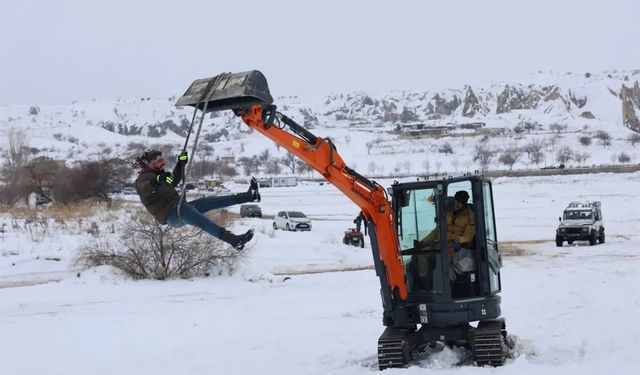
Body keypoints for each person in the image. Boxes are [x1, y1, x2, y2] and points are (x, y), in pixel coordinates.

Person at [133, 149, 260, 250]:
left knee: (208, 201)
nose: (163, 162)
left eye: (162, 159)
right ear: (149, 164)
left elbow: (174, 180)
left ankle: (249, 196)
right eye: (158, 160)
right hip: (170, 215)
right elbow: (147, 188)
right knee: (199, 219)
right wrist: (158, 180)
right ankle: (233, 240)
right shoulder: (143, 179)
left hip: (179, 207)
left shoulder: (160, 176)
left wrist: (180, 163)